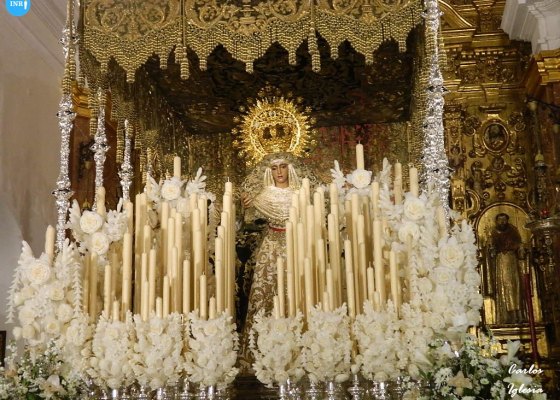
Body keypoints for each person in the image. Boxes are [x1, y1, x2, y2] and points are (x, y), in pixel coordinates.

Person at [237, 152, 302, 372]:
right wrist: (245, 206)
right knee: (266, 290)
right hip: (271, 245)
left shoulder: (300, 194)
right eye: (274, 168)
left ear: (290, 169)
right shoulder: (263, 196)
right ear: (269, 171)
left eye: (283, 167)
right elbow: (247, 220)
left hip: (296, 244)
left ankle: (299, 347)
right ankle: (260, 349)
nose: (279, 172)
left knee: (295, 289)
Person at [486, 212, 525, 324]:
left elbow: (519, 245)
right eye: (500, 220)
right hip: (501, 261)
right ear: (496, 221)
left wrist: (520, 248)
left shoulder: (513, 231)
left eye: (504, 219)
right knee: (505, 286)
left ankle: (518, 313)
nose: (502, 222)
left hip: (512, 261)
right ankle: (507, 315)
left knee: (515, 286)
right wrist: (491, 248)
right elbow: (491, 251)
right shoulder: (494, 233)